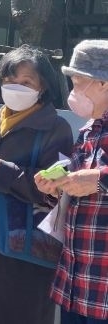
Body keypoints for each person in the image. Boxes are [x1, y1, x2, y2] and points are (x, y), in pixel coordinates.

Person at [0, 46, 74, 324]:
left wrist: (1, 169)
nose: (16, 87)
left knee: (12, 311)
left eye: (26, 82)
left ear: (43, 86)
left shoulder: (56, 128)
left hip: (21, 245)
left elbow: (56, 189)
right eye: (9, 80)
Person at [35, 40, 108, 324]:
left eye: (78, 83)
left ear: (102, 83)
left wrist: (99, 179)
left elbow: (95, 181)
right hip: (76, 280)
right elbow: (76, 185)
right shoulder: (88, 130)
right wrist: (56, 187)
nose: (73, 92)